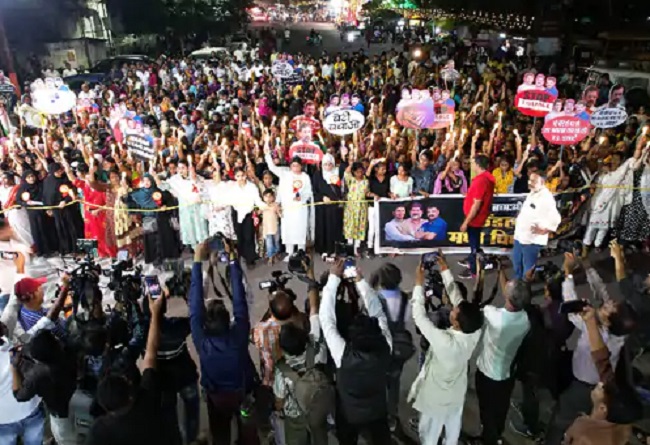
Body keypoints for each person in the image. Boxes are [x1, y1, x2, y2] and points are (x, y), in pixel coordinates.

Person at [188, 239, 259, 445]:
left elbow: (194, 305)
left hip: (215, 397)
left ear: (205, 324)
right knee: (247, 428)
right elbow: (239, 300)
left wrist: (197, 261)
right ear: (229, 321)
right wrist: (232, 260)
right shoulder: (238, 337)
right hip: (241, 393)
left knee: (219, 432)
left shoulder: (202, 343)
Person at [409, 253, 484, 445]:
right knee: (452, 430)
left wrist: (418, 283)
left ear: (457, 324)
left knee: (430, 435)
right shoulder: (474, 329)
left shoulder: (444, 341)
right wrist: (445, 269)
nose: (452, 309)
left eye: (454, 313)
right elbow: (459, 301)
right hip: (457, 392)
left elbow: (419, 316)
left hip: (436, 398)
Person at [320, 259, 393, 445]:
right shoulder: (385, 345)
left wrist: (333, 279)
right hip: (377, 410)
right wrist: (360, 281)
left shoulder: (343, 354)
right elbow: (378, 313)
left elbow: (326, 320)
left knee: (347, 439)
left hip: (348, 412)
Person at [85, 289, 169, 445]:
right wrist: (153, 313)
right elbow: (150, 353)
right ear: (130, 394)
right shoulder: (147, 400)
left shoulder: (98, 430)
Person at [561, 304, 641, 445]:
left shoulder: (584, 433)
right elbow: (602, 361)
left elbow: (601, 359)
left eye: (601, 388)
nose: (600, 384)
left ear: (603, 408)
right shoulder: (621, 336)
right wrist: (592, 321)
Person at [475, 278, 531, 445]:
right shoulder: (525, 320)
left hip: (487, 374)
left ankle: (488, 439)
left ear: (506, 296)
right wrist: (502, 275)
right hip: (507, 373)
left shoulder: (493, 315)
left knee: (487, 410)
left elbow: (477, 308)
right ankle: (496, 435)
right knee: (500, 409)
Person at [265, 146, 314, 260]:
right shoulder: (285, 174)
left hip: (300, 208)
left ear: (301, 166)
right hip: (287, 207)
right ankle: (290, 252)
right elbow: (272, 167)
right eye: (293, 165)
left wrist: (301, 197)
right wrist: (268, 154)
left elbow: (309, 192)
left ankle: (301, 251)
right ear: (290, 166)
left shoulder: (305, 177)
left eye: (297, 165)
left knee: (300, 229)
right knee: (288, 230)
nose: (295, 168)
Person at [511, 172, 561, 279]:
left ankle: (525, 289)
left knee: (528, 268)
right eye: (529, 180)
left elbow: (556, 218)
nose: (530, 182)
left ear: (542, 182)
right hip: (520, 236)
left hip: (531, 240)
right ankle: (517, 284)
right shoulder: (533, 193)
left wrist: (545, 230)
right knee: (516, 262)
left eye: (533, 181)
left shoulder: (546, 198)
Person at [459, 154, 495, 279]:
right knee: (474, 243)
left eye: (473, 163)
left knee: (474, 244)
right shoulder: (485, 179)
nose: (471, 165)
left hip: (475, 219)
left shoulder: (481, 181)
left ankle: (474, 270)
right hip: (477, 218)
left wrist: (466, 222)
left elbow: (476, 204)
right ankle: (472, 260)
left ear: (478, 165)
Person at [312, 153, 343, 258]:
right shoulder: (317, 175)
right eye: (325, 164)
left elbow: (339, 190)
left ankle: (333, 249)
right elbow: (314, 190)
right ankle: (323, 249)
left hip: (333, 207)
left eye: (330, 164)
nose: (328, 167)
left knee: (333, 227)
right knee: (323, 227)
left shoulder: (336, 174)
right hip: (322, 207)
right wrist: (322, 197)